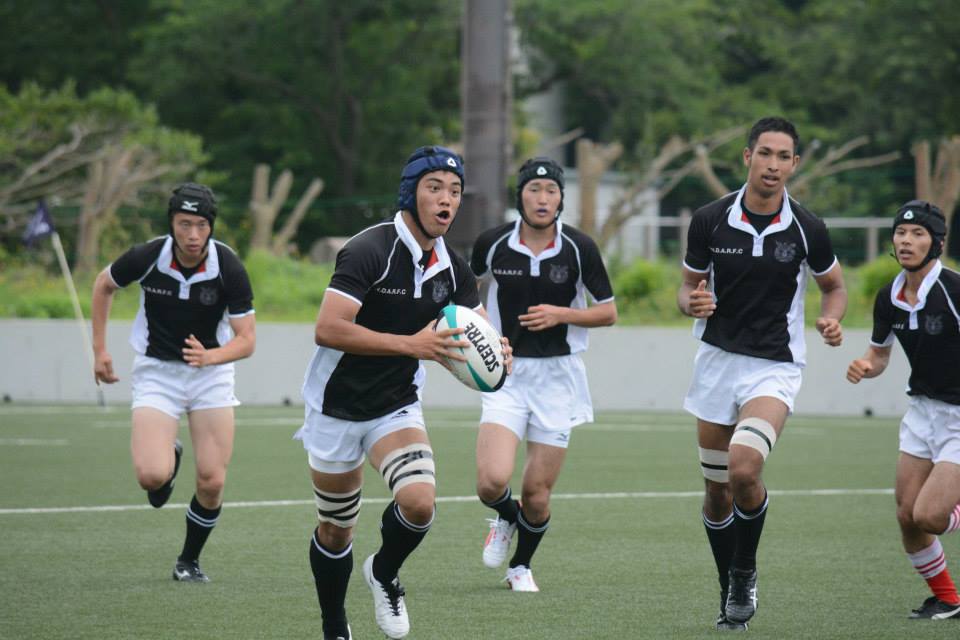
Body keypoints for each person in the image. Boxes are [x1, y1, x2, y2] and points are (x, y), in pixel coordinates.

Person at [296, 146, 510, 640]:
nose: (446, 199)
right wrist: (411, 345)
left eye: (455, 191)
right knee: (336, 530)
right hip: (335, 406)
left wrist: (499, 352)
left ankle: (384, 572)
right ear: (411, 192)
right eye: (435, 188)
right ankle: (335, 626)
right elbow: (328, 328)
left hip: (395, 404)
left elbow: (478, 330)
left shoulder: (454, 269)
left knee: (418, 503)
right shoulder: (368, 250)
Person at [677, 117, 847, 630]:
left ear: (794, 164)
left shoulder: (808, 228)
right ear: (748, 156)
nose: (773, 165)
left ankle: (744, 570)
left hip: (774, 367)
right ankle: (728, 588)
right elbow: (686, 286)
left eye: (783, 157)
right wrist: (691, 302)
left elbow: (834, 287)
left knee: (744, 469)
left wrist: (832, 319)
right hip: (716, 364)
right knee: (716, 493)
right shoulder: (709, 219)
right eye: (765, 153)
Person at [91, 182, 256, 583]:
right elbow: (103, 285)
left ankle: (188, 561)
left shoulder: (228, 266)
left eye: (201, 225)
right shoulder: (148, 256)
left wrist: (211, 357)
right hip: (157, 374)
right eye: (184, 224)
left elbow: (247, 340)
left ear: (211, 226)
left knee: (212, 481)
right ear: (171, 223)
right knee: (151, 477)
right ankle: (169, 457)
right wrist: (100, 351)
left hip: (211, 376)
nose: (193, 235)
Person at [470, 157, 617, 593]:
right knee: (491, 482)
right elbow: (464, 293)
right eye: (534, 190)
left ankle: (520, 567)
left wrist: (561, 314)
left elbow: (608, 312)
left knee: (537, 492)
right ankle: (505, 516)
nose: (542, 198)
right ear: (520, 197)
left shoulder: (579, 247)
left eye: (551, 190)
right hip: (506, 374)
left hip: (558, 378)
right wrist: (479, 337)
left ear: (560, 199)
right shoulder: (492, 243)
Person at [846, 200, 960, 620]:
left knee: (929, 515)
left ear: (938, 243)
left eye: (918, 234)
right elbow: (879, 355)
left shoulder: (954, 291)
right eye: (900, 233)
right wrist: (865, 366)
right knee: (907, 516)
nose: (906, 241)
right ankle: (949, 600)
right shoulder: (889, 296)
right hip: (922, 414)